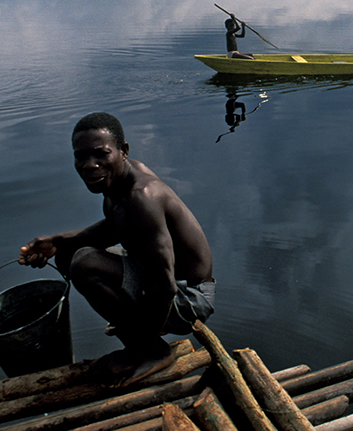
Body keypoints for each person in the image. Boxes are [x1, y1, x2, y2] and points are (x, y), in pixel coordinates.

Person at [19, 113, 215, 387]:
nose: (89, 165)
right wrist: (57, 241)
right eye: (80, 156)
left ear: (123, 151)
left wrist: (137, 350)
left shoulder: (142, 197)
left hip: (188, 297)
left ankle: (153, 351)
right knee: (67, 254)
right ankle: (139, 330)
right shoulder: (122, 178)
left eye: (101, 154)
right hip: (163, 279)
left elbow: (165, 286)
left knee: (84, 265)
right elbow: (117, 227)